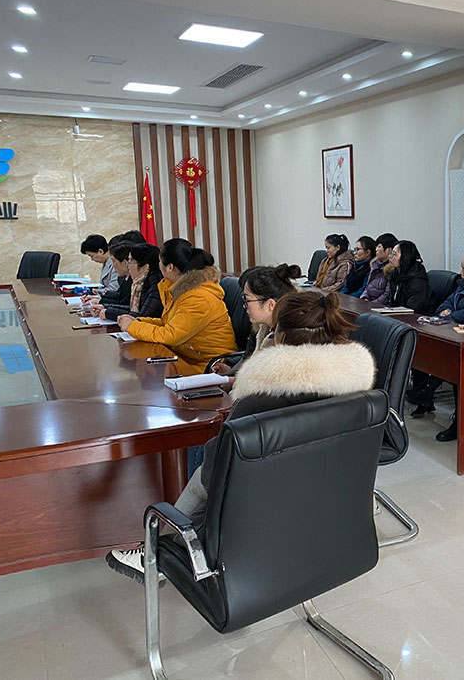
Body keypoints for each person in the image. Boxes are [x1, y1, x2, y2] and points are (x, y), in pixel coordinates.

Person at [105, 290, 376, 583]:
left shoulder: (261, 397)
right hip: (326, 507)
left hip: (254, 517)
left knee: (206, 468)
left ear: (281, 336)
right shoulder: (358, 390)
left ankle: (155, 554)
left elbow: (219, 469)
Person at [406, 248, 464, 429]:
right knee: (421, 343)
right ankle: (424, 396)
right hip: (452, 327)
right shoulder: (463, 284)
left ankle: (428, 391)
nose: (461, 273)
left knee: (449, 355)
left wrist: (448, 316)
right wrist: (445, 312)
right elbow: (447, 303)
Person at [117, 238, 237, 373]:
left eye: (159, 261)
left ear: (170, 267)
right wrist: (139, 321)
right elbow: (168, 323)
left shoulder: (198, 297)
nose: (158, 265)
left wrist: (133, 327)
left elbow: (171, 335)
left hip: (209, 365)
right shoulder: (179, 288)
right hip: (188, 356)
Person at [210, 263, 300, 383]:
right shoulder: (260, 328)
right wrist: (231, 371)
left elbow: (266, 385)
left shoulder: (291, 339)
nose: (244, 306)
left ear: (270, 304)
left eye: (247, 300)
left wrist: (234, 382)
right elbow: (248, 361)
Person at [99, 243, 164, 320]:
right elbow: (131, 309)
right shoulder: (139, 283)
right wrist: (105, 307)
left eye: (130, 262)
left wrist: (109, 312)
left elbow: (143, 317)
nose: (128, 266)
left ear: (145, 267)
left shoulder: (156, 286)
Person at [387, 240, 436, 315]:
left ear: (405, 257)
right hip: (397, 315)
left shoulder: (417, 280)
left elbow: (413, 309)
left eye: (394, 254)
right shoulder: (396, 274)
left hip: (415, 318)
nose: (390, 257)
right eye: (391, 254)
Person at [85, 240, 132, 310]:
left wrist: (101, 302)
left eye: (92, 256)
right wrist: (99, 298)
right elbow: (118, 295)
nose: (113, 265)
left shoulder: (133, 280)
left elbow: (124, 302)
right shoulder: (126, 278)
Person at [360, 232, 398, 304]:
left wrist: (372, 304)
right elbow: (367, 287)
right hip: (368, 303)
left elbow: (387, 295)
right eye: (376, 247)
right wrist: (364, 298)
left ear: (389, 250)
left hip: (380, 305)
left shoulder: (392, 269)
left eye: (379, 247)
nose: (376, 249)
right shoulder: (374, 264)